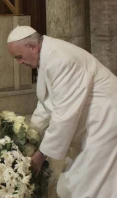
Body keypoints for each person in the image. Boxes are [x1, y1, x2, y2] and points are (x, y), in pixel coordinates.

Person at [7, 25, 117, 197]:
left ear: (32, 47)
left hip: (105, 117)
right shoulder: (48, 55)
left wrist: (41, 154)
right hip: (95, 119)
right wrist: (32, 133)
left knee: (91, 180)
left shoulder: (61, 59)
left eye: (19, 57)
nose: (19, 62)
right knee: (89, 177)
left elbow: (64, 114)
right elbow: (47, 101)